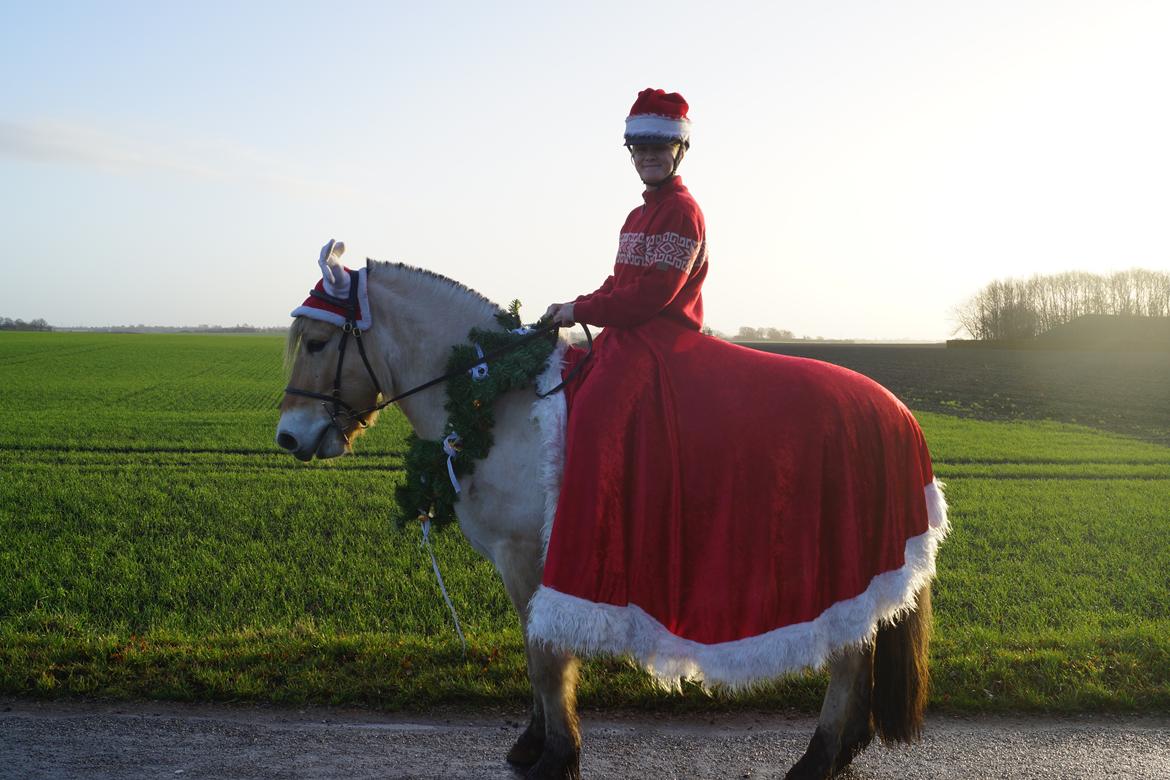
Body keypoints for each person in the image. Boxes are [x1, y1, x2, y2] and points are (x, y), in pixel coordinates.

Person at [528, 88, 938, 684]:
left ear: (679, 148)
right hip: (628, 337)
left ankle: (602, 572)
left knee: (599, 419)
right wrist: (585, 305)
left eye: (658, 145)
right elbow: (622, 281)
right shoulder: (637, 214)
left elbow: (650, 296)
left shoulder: (682, 211)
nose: (646, 154)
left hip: (660, 340)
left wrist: (578, 307)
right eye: (637, 145)